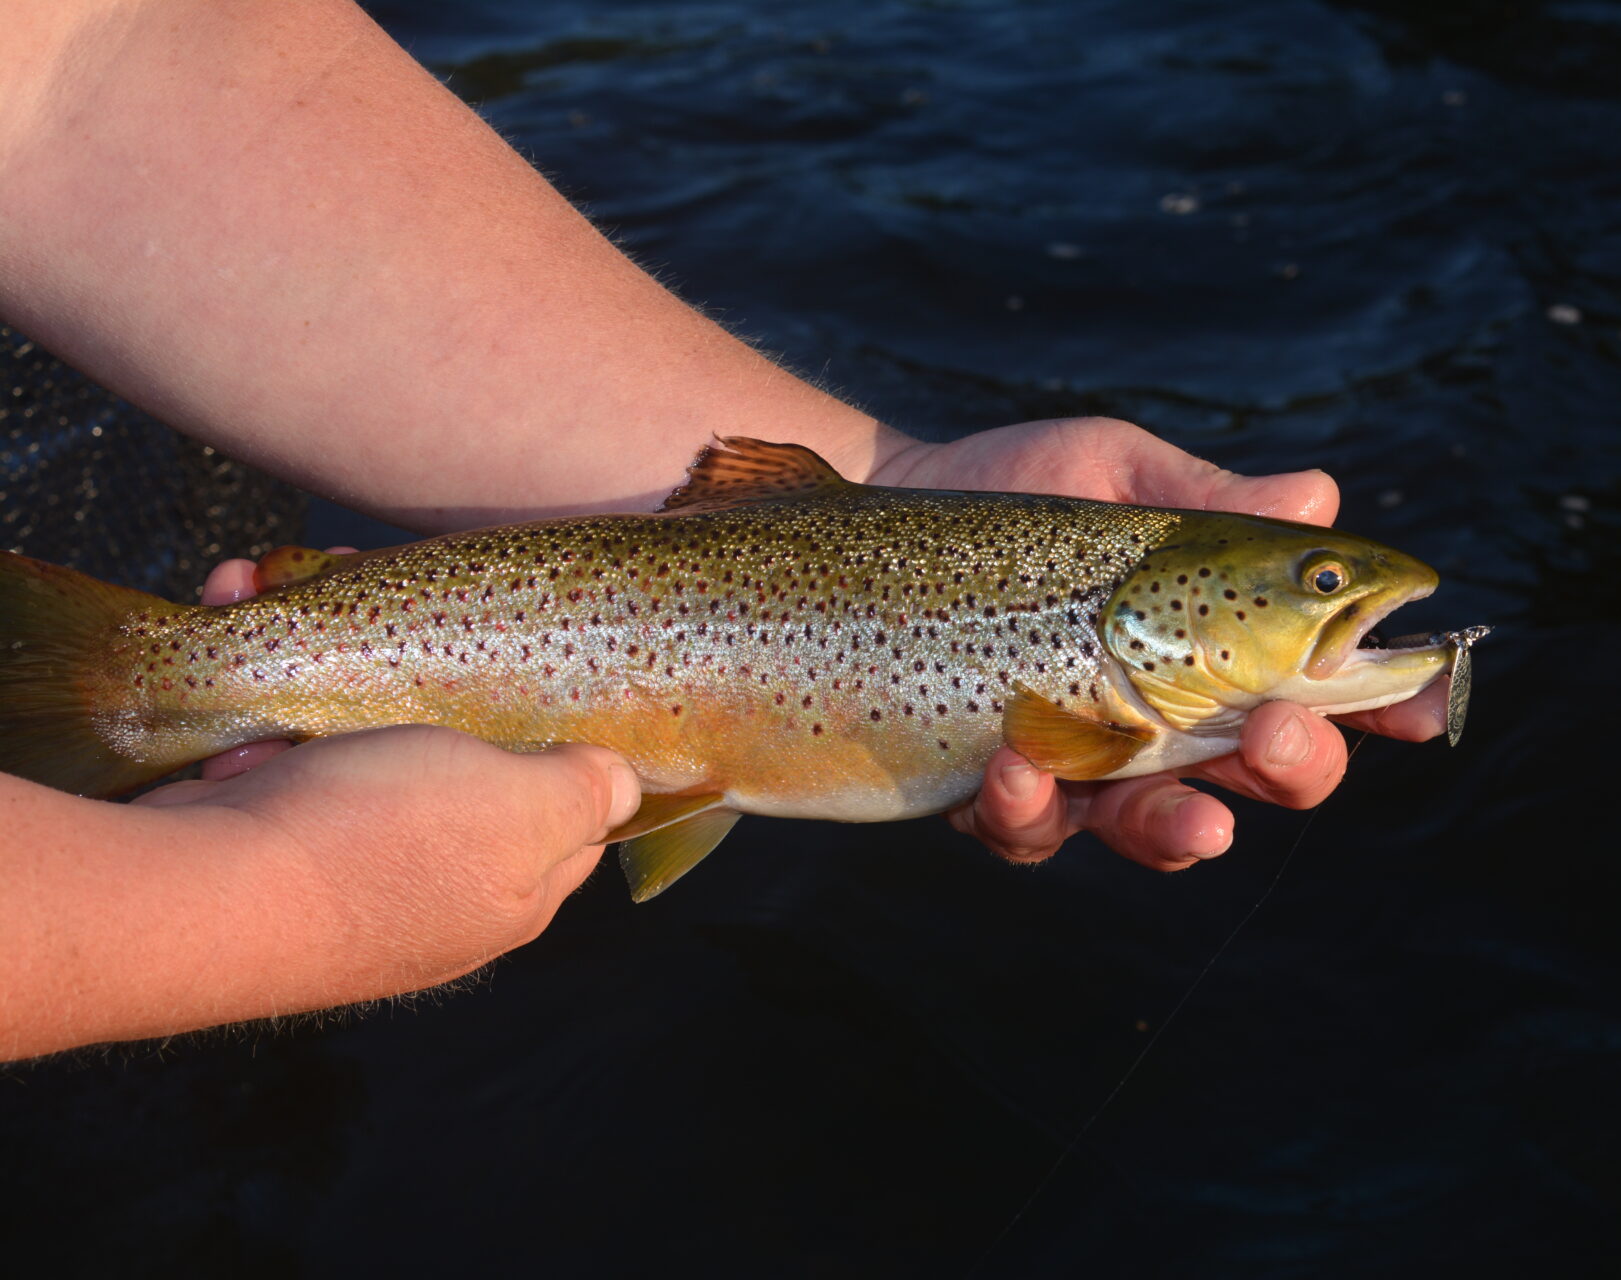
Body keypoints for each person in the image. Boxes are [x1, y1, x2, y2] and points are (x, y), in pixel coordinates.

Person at [0, 0, 1444, 1061]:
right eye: (1317, 582)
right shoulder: (1105, 702)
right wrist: (261, 906)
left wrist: (899, 473)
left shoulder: (1122, 688)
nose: (1355, 595)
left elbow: (89, 52)